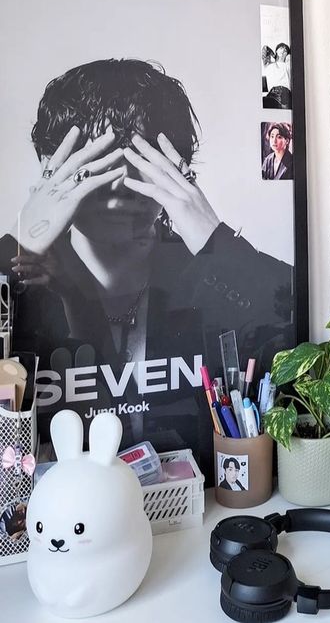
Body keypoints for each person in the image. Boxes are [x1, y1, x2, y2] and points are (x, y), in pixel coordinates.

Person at [2, 59, 293, 475]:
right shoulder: (20, 282)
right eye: (97, 163)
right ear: (54, 166)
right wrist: (22, 235)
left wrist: (213, 238)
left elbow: (307, 337)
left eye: (141, 160)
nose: (121, 186)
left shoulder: (210, 275)